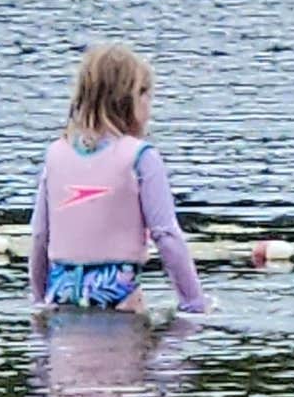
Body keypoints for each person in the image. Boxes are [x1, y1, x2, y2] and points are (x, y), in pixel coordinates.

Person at [27, 43, 209, 314]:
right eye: (146, 94)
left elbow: (40, 235)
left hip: (61, 291)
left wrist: (39, 300)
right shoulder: (141, 157)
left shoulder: (56, 154)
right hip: (119, 293)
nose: (150, 105)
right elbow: (166, 235)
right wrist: (194, 304)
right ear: (128, 99)